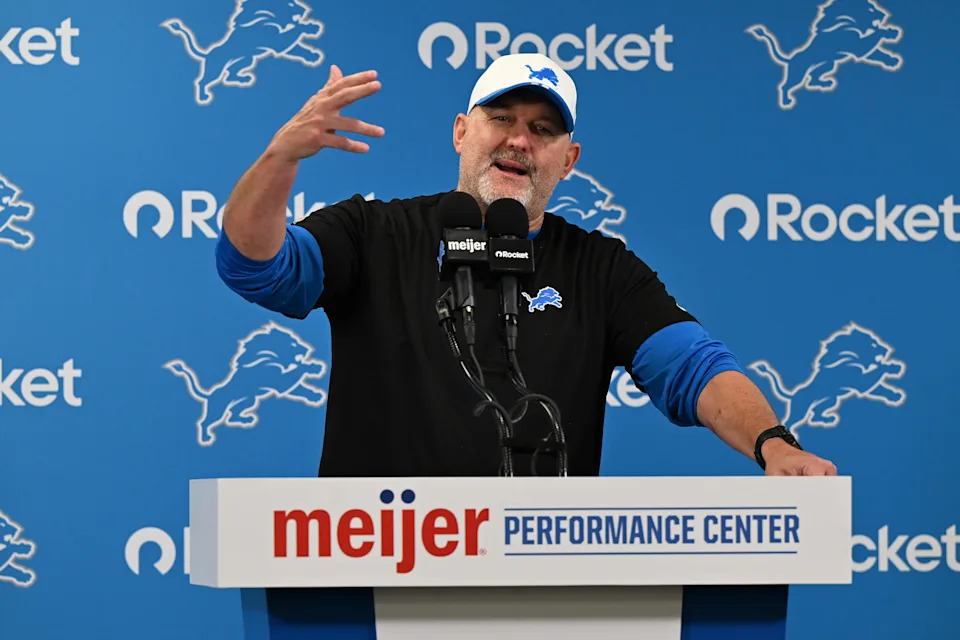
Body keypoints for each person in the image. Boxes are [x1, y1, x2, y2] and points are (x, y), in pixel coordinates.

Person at [215, 53, 838, 478]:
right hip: (375, 568)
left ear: (568, 161)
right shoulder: (375, 231)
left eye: (543, 129)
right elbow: (256, 266)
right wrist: (280, 158)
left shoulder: (601, 268)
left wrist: (771, 443)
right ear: (462, 132)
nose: (519, 140)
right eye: (501, 119)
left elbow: (693, 367)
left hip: (538, 582)